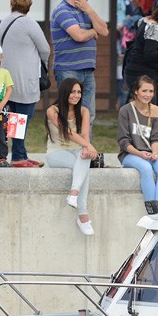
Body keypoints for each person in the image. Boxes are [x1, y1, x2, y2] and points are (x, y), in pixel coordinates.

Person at [0, 0, 50, 168]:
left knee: (15, 116)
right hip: (26, 78)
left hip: (8, 78)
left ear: (12, 3)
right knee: (23, 117)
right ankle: (18, 157)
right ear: (29, 5)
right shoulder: (30, 24)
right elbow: (45, 49)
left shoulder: (4, 22)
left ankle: (21, 154)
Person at [50, 0, 108, 130]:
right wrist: (92, 31)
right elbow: (79, 36)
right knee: (69, 113)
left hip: (87, 69)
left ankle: (86, 149)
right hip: (68, 69)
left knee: (88, 112)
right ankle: (68, 148)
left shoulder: (85, 10)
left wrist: (89, 11)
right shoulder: (62, 10)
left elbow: (104, 31)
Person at [45, 78, 98, 236]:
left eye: (79, 92)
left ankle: (74, 196)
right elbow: (67, 132)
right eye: (73, 92)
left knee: (83, 160)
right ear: (65, 92)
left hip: (76, 150)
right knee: (82, 166)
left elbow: (84, 135)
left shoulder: (84, 111)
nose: (76, 95)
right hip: (56, 152)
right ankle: (83, 214)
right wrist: (88, 147)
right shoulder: (52, 110)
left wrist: (86, 147)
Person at [118, 75, 158, 211]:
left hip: (150, 152)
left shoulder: (156, 110)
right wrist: (140, 154)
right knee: (146, 168)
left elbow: (156, 137)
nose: (148, 95)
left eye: (151, 91)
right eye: (144, 91)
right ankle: (152, 207)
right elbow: (123, 141)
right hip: (130, 154)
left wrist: (155, 152)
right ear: (136, 91)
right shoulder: (125, 111)